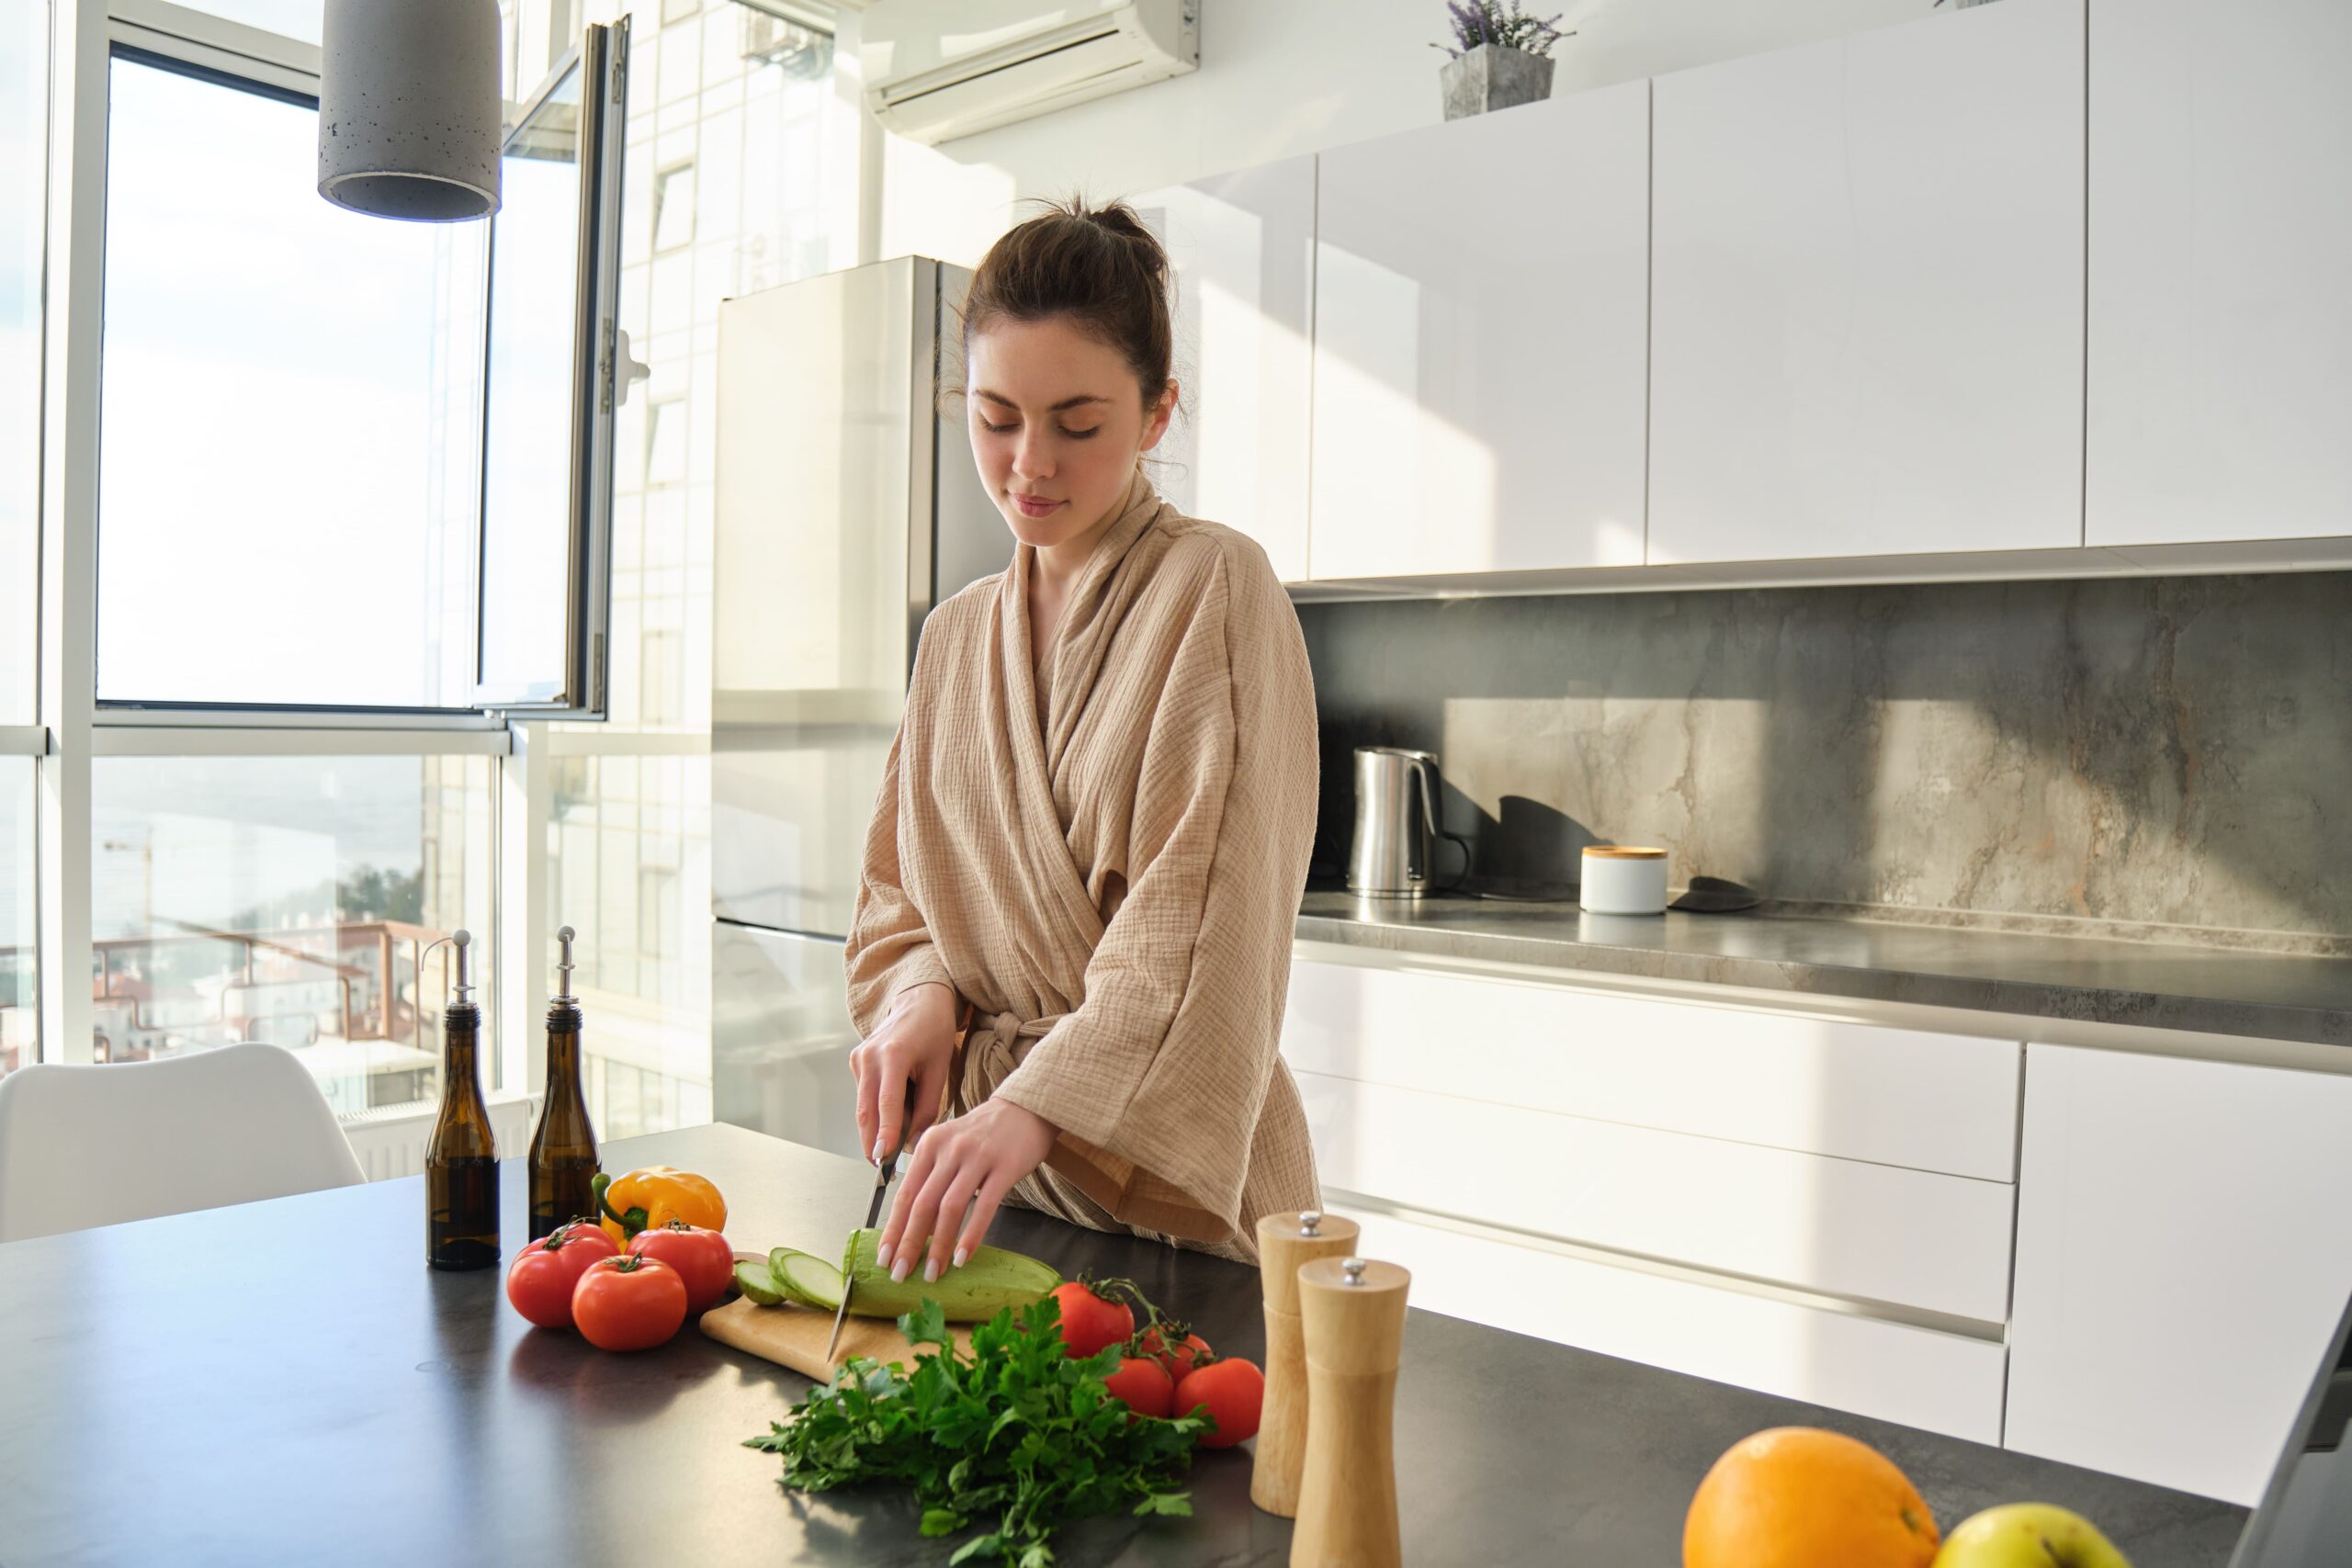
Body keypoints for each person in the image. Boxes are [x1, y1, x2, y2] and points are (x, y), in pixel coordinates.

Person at [843, 197, 1320, 1284]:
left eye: (1078, 421)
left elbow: (1205, 929)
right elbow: (899, 890)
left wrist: (1033, 1107)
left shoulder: (1216, 586)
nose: (1029, 465)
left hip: (1172, 1197)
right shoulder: (956, 637)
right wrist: (920, 997)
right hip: (991, 1185)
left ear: (1157, 415)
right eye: (995, 416)